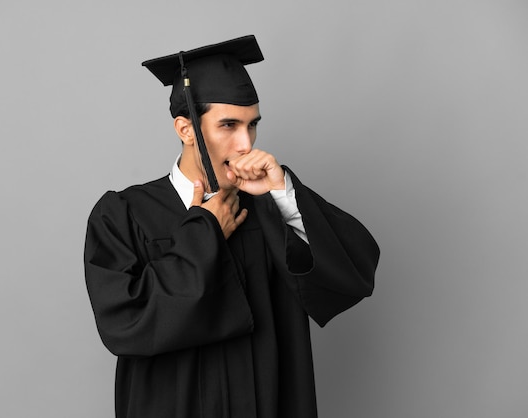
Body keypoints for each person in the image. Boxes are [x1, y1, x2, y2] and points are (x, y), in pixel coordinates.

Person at [84, 35, 380, 418]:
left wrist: (283, 192)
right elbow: (125, 324)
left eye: (252, 125)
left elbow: (353, 274)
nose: (246, 143)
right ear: (186, 129)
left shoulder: (270, 206)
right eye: (228, 125)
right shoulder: (123, 213)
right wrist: (204, 230)